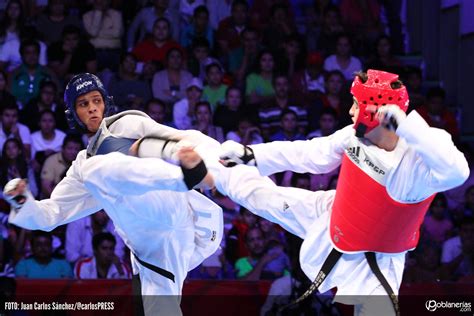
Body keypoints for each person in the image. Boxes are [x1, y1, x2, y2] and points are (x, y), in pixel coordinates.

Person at [217, 69, 469, 315]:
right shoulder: (353, 135)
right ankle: (211, 165)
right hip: (331, 214)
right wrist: (252, 154)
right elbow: (308, 153)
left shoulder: (415, 164)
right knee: (261, 198)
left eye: (357, 105)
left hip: (377, 259)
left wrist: (407, 127)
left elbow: (458, 172)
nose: (350, 111)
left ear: (375, 111)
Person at [3, 73, 224, 315]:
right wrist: (22, 201)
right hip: (155, 249)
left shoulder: (127, 123)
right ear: (72, 114)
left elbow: (180, 138)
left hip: (191, 217)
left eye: (96, 100)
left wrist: (213, 162)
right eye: (83, 104)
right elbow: (51, 214)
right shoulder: (82, 168)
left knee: (101, 163)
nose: (92, 109)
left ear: (106, 102)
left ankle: (187, 176)